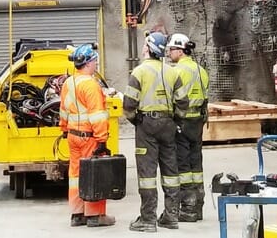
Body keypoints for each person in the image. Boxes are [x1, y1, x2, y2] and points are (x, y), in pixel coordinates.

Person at [124, 32, 186, 232]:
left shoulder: (139, 72)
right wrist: (175, 121)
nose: (143, 49)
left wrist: (137, 121)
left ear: (149, 48)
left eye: (144, 46)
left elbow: (128, 105)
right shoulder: (173, 72)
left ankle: (148, 219)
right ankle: (171, 217)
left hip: (147, 125)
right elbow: (183, 102)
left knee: (147, 174)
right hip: (168, 125)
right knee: (171, 172)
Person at [61, 44, 117, 228]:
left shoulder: (69, 83)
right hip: (89, 137)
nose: (96, 64)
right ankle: (95, 215)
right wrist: (102, 140)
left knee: (76, 175)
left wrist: (64, 130)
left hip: (72, 135)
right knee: (94, 174)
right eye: (94, 61)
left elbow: (63, 111)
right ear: (87, 63)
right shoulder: (91, 85)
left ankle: (77, 215)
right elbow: (97, 116)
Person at [168, 33, 209, 222]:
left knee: (183, 166)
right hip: (197, 122)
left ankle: (188, 208)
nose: (169, 53)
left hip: (183, 122)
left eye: (171, 50)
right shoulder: (200, 70)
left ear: (180, 50)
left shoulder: (177, 71)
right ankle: (198, 205)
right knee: (196, 164)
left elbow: (173, 98)